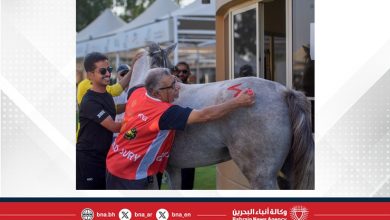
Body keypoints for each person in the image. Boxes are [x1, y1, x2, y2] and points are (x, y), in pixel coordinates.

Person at [105, 68, 255, 189]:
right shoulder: (164, 113)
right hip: (131, 175)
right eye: (171, 86)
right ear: (157, 93)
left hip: (114, 161)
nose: (178, 87)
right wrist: (237, 102)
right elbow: (205, 116)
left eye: (175, 81)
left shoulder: (138, 93)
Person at [76, 52, 122, 190]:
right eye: (103, 71)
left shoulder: (106, 95)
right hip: (88, 159)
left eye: (109, 70)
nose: (108, 74)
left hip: (104, 157)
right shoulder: (89, 101)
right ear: (90, 75)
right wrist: (140, 120)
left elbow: (115, 111)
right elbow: (114, 127)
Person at [113, 64, 131, 139]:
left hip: (129, 130)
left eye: (127, 74)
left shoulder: (134, 90)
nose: (125, 76)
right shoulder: (113, 91)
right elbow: (113, 109)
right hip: (116, 133)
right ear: (117, 75)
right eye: (123, 74)